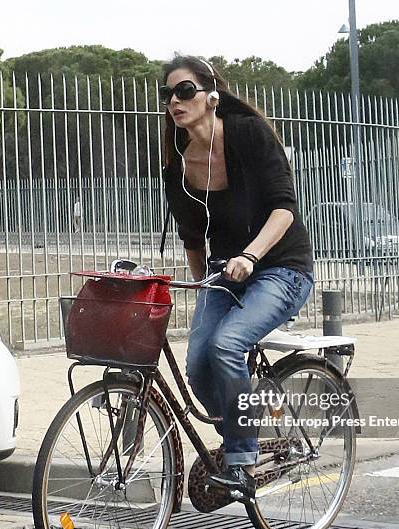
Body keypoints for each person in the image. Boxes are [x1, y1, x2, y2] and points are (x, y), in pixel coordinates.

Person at [160, 55, 314, 500]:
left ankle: (241, 461)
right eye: (168, 94)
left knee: (229, 345)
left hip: (281, 268)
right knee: (198, 363)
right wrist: (201, 291)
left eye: (184, 90)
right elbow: (193, 240)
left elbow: (285, 207)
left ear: (210, 95)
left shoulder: (247, 134)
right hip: (224, 274)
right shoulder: (177, 166)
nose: (175, 101)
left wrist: (250, 254)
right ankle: (243, 434)